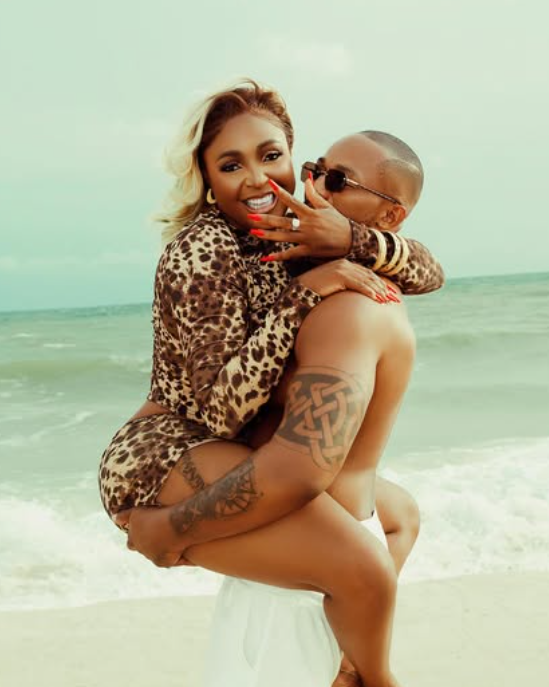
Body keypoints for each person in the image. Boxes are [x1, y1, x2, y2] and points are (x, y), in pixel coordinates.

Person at [100, 79, 442, 687]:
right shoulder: (200, 250)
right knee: (361, 566)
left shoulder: (297, 226)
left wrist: (352, 240)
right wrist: (302, 296)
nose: (257, 178)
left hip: (240, 444)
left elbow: (430, 272)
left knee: (402, 517)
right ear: (208, 178)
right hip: (169, 448)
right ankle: (375, 677)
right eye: (231, 165)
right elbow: (221, 408)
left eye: (271, 156)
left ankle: (345, 659)